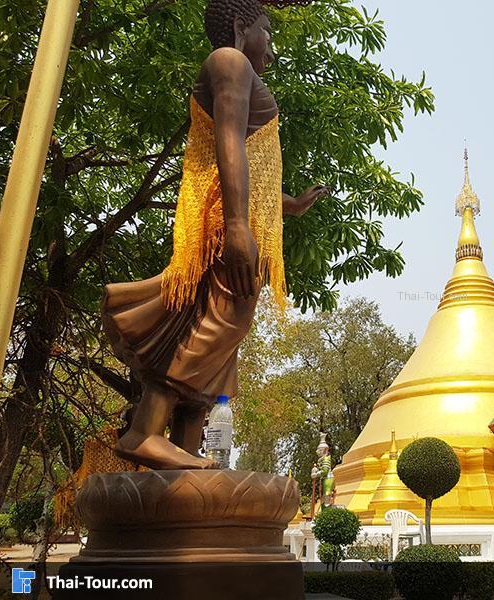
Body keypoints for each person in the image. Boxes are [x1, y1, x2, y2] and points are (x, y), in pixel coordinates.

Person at [102, 0, 327, 470]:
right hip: (226, 226)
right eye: (268, 31)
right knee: (217, 323)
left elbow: (248, 159)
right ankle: (145, 431)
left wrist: (291, 204)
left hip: (237, 219)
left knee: (220, 333)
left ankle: (185, 447)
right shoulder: (230, 61)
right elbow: (227, 139)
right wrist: (239, 224)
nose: (272, 47)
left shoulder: (240, 68)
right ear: (243, 26)